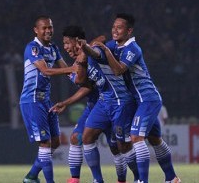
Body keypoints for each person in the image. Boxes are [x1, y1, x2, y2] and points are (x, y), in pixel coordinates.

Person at [89, 13, 180, 183]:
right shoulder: (116, 46)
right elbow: (99, 46)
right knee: (155, 139)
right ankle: (172, 178)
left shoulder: (133, 48)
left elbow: (118, 70)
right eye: (113, 27)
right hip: (139, 101)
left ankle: (142, 181)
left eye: (120, 27)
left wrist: (104, 49)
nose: (115, 30)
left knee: (136, 137)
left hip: (147, 98)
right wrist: (88, 47)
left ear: (129, 30)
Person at [51, 26, 135, 183]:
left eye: (67, 43)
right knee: (77, 138)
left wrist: (84, 50)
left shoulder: (90, 53)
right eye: (64, 44)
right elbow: (85, 85)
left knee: (116, 147)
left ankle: (124, 179)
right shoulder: (77, 65)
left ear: (77, 41)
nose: (66, 47)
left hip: (113, 103)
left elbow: (102, 37)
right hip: (95, 106)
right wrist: (66, 102)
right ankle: (83, 179)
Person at [20, 15, 78, 183]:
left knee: (55, 141)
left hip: (46, 100)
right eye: (44, 28)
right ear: (36, 30)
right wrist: (72, 69)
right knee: (45, 143)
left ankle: (31, 176)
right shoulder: (32, 48)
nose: (48, 30)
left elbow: (66, 70)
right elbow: (45, 71)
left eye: (50, 27)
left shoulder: (53, 48)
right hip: (32, 100)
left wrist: (79, 76)